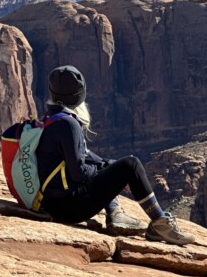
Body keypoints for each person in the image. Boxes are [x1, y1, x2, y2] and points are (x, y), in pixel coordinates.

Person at [35, 65, 196, 246]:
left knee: (109, 166)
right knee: (131, 164)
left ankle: (115, 214)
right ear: (80, 96)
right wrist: (109, 171)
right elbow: (78, 172)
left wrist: (107, 166)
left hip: (52, 202)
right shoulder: (68, 124)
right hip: (68, 207)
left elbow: (84, 156)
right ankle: (160, 224)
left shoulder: (50, 118)